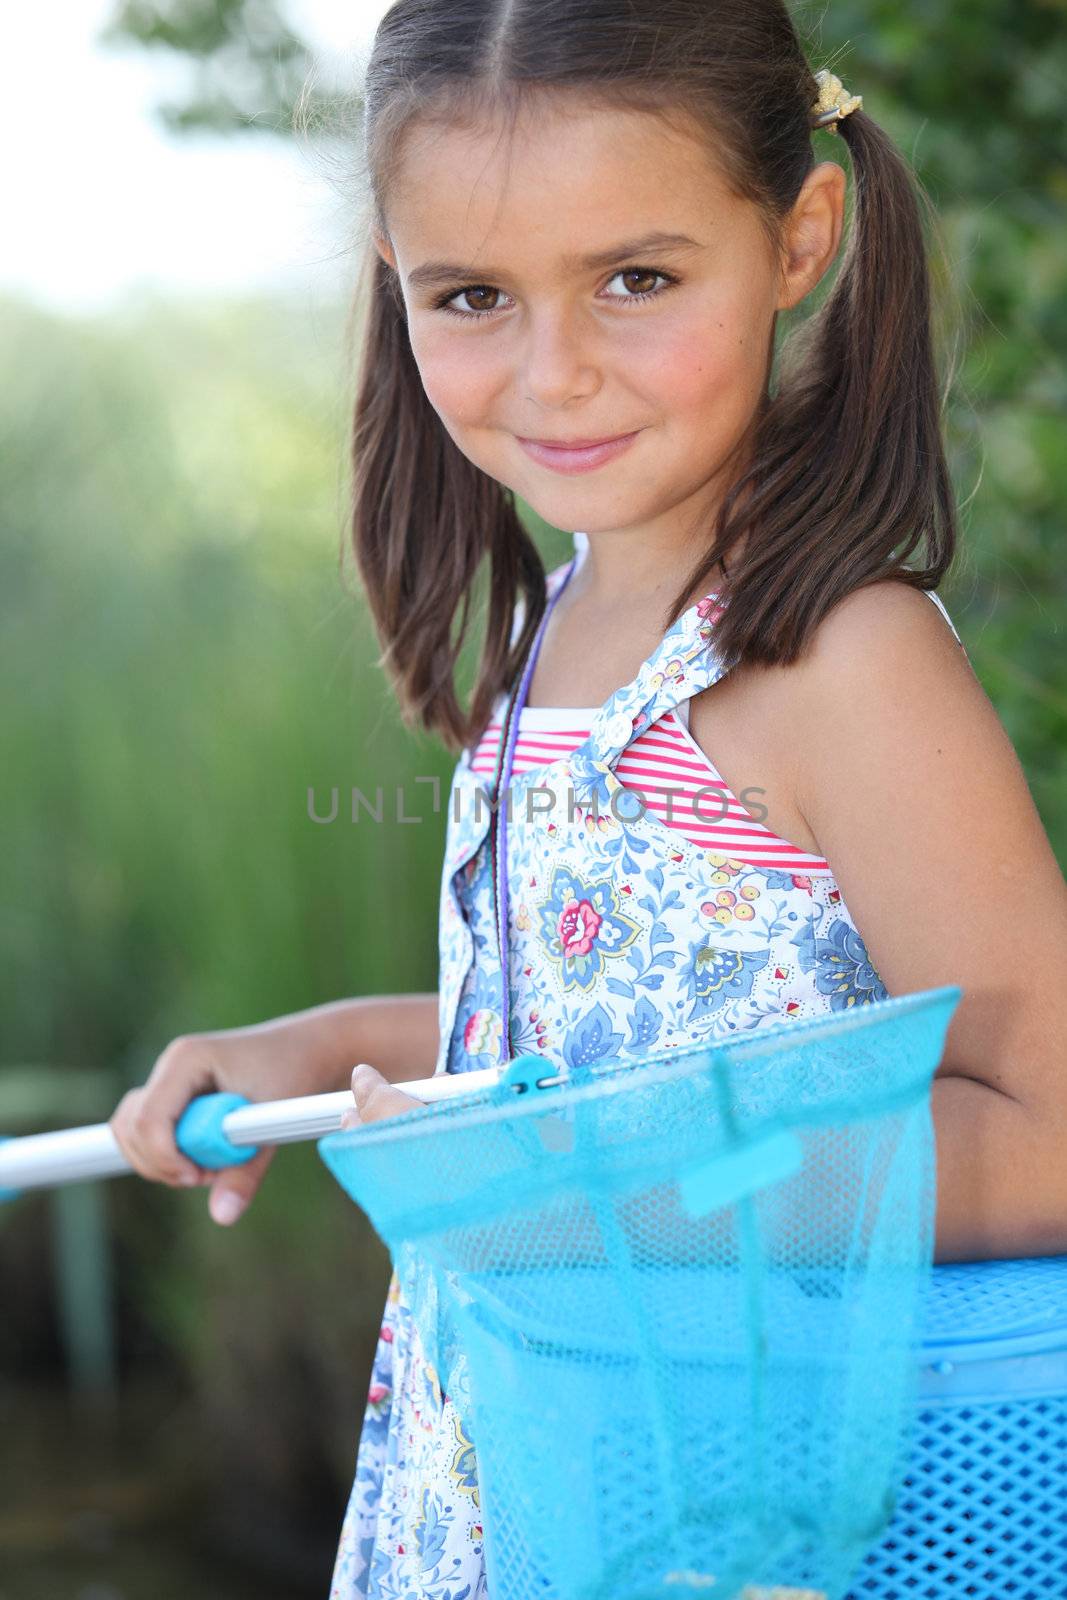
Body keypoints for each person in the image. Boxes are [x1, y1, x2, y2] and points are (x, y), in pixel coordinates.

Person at [109, 2, 1067, 1597]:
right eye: (472, 296)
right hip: (509, 1496)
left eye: (638, 278)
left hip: (732, 1527)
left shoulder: (843, 662)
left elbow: (1050, 1135)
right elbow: (599, 1034)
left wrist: (598, 1189)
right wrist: (331, 1052)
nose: (555, 375)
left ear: (799, 238)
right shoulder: (556, 629)